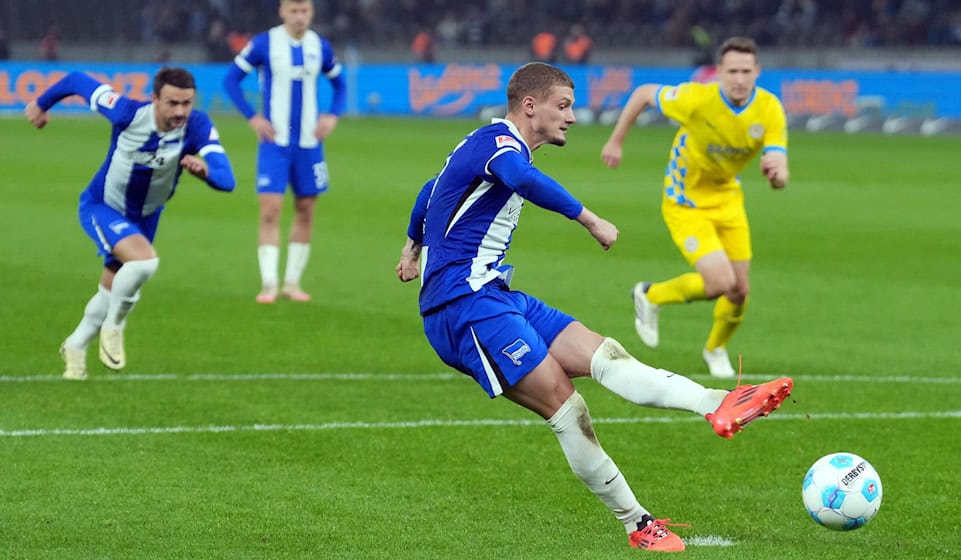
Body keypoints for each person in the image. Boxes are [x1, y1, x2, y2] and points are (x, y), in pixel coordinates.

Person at [396, 62, 793, 553]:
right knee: (567, 406)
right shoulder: (502, 147)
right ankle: (637, 523)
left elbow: (428, 192)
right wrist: (590, 220)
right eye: (563, 106)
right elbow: (521, 180)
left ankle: (716, 404)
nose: (573, 116)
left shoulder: (483, 145)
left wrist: (411, 247)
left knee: (607, 354)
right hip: (462, 306)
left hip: (494, 293)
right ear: (529, 106)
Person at [25, 67, 236, 380]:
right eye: (172, 103)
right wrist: (41, 104)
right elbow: (76, 80)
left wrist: (206, 173)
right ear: (154, 99)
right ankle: (115, 326)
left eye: (186, 104)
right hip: (103, 207)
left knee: (110, 288)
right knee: (144, 263)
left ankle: (75, 345)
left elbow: (227, 178)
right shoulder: (126, 113)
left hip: (147, 215)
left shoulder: (197, 126)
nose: (180, 111)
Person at [600, 36, 790, 378]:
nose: (739, 78)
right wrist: (616, 140)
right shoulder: (696, 98)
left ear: (757, 72)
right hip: (685, 200)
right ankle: (650, 295)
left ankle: (715, 349)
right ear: (719, 72)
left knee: (739, 290)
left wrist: (777, 175)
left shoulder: (769, 108)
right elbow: (644, 93)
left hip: (728, 198)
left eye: (746, 71)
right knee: (719, 282)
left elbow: (780, 167)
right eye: (732, 70)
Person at [223, 0, 346, 303]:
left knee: (306, 210)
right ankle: (269, 284)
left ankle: (292, 283)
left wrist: (332, 116)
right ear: (282, 12)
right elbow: (231, 80)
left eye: (305, 11)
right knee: (270, 210)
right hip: (274, 145)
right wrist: (252, 117)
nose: (300, 17)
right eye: (294, 11)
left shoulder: (320, 46)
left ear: (312, 12)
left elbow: (341, 84)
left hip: (309, 145)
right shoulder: (264, 43)